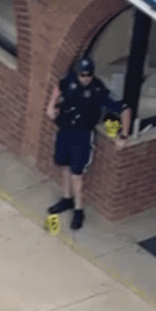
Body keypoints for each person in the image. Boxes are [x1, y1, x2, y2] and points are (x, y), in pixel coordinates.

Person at [46, 56, 131, 230]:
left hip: (82, 135)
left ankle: (78, 209)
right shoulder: (68, 81)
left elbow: (125, 109)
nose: (85, 78)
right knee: (64, 165)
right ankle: (66, 198)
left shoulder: (98, 90)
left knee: (77, 174)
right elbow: (58, 88)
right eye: (82, 75)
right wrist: (51, 104)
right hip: (65, 129)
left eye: (89, 75)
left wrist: (124, 135)